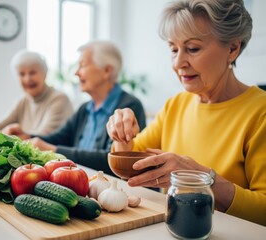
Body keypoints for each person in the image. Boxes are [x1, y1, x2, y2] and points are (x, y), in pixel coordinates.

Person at [106, 0, 266, 226]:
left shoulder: (261, 112)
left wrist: (202, 178)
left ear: (232, 48)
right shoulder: (176, 104)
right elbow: (132, 166)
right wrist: (121, 133)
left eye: (192, 49)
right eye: (173, 49)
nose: (178, 62)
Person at [6, 41, 146, 176]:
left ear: (107, 71)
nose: (76, 73)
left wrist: (53, 150)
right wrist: (28, 136)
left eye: (82, 66)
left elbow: (112, 160)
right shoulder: (85, 108)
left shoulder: (129, 107)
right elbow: (60, 137)